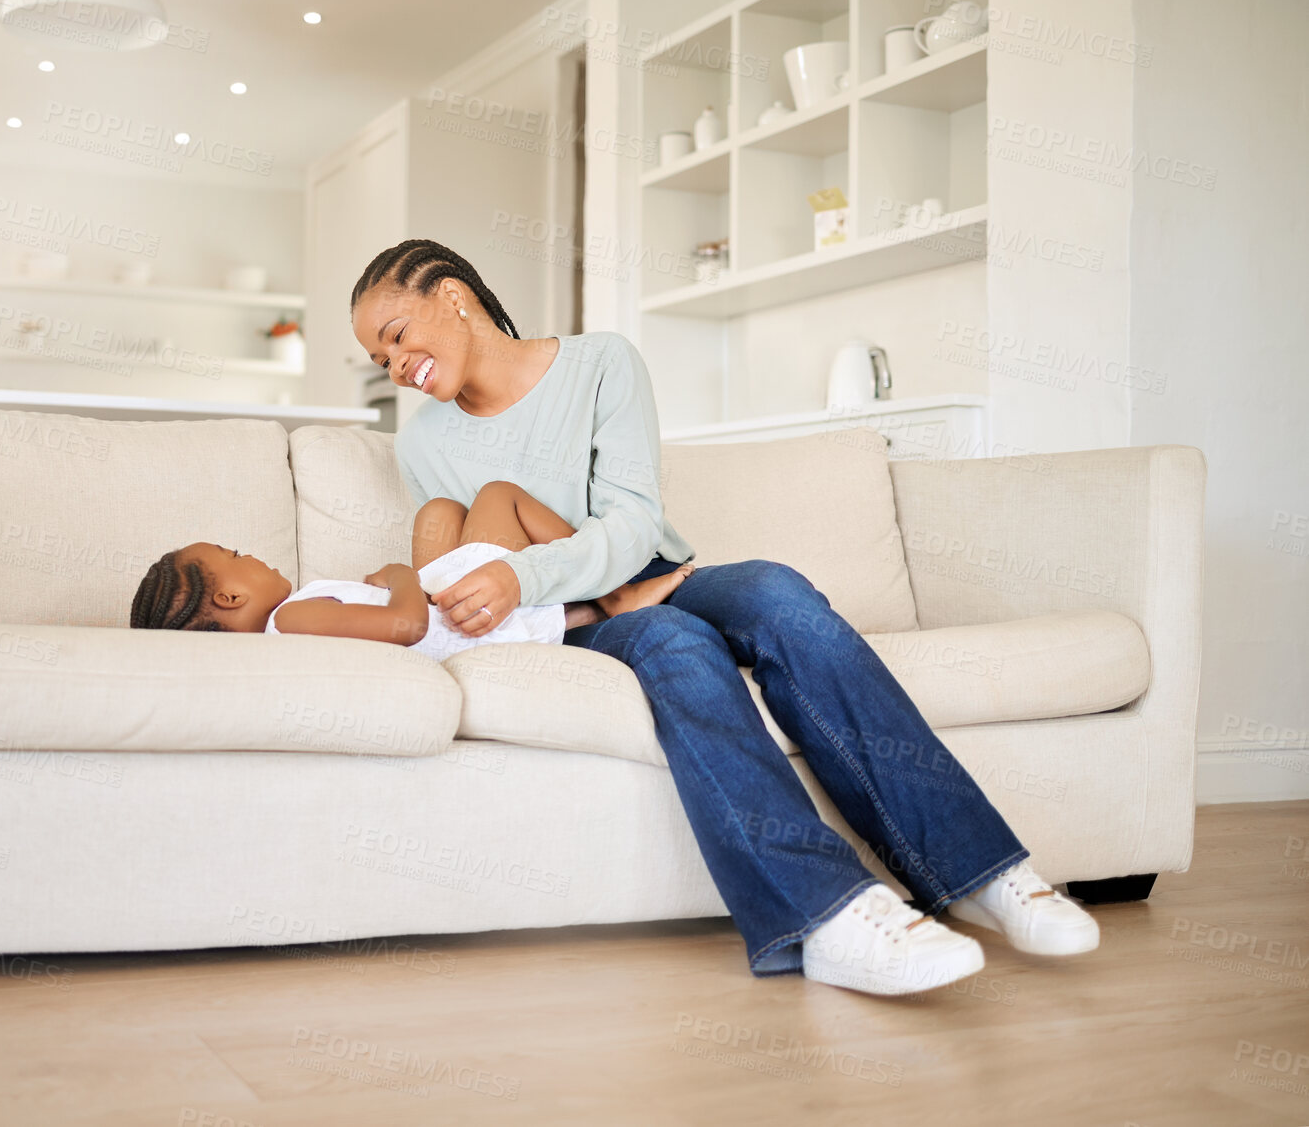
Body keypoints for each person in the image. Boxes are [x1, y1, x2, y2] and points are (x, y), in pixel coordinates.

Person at [350, 239, 1100, 997]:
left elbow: (632, 522)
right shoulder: (423, 443)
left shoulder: (599, 362)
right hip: (563, 616)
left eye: (394, 335)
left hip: (649, 571)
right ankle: (827, 917)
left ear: (451, 295)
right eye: (379, 360)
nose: (393, 365)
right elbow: (458, 573)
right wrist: (574, 597)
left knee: (775, 591)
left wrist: (531, 571)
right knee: (674, 641)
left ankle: (980, 871)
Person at [128, 480, 691, 661]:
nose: (246, 554)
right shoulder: (291, 620)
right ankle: (614, 591)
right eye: (233, 557)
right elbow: (407, 626)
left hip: (460, 616)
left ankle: (586, 607)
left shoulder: (292, 626)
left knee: (438, 512)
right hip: (462, 617)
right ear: (228, 600)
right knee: (498, 496)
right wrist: (400, 574)